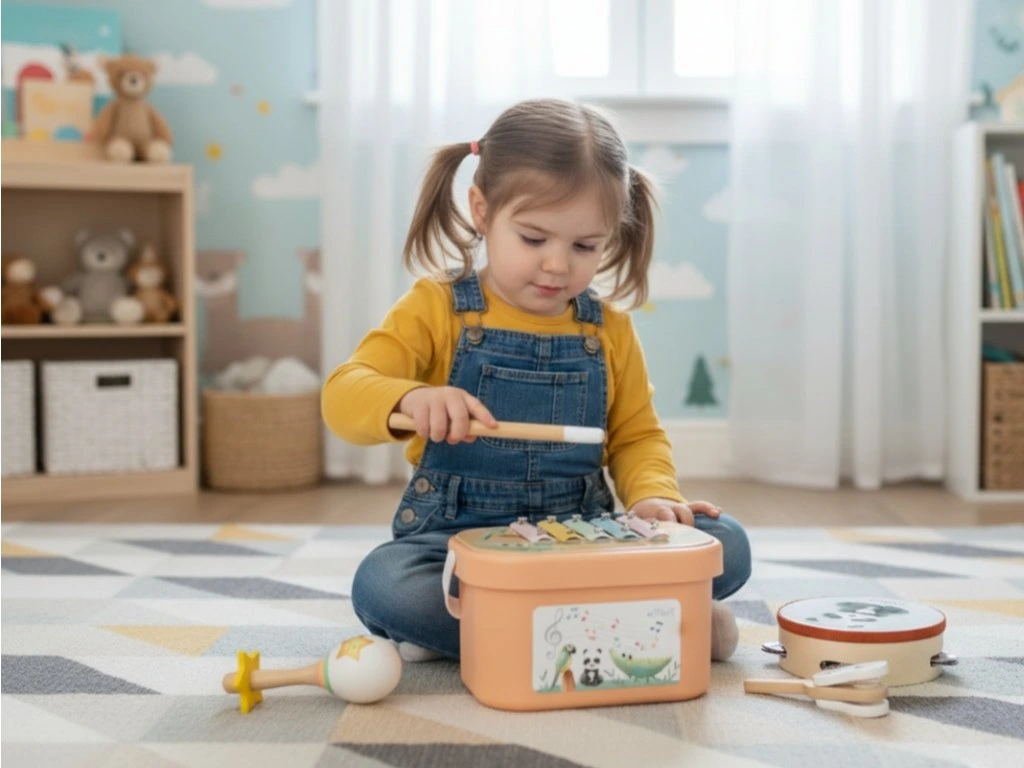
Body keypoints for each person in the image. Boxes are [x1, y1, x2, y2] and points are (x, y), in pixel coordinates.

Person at [322, 98, 751, 663]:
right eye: (533, 239)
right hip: (454, 544)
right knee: (384, 585)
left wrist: (653, 498)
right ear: (481, 210)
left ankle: (512, 633)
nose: (557, 265)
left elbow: (637, 437)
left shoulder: (609, 331)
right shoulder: (437, 308)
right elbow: (343, 393)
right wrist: (410, 395)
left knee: (728, 543)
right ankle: (643, 619)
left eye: (584, 247)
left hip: (584, 538)